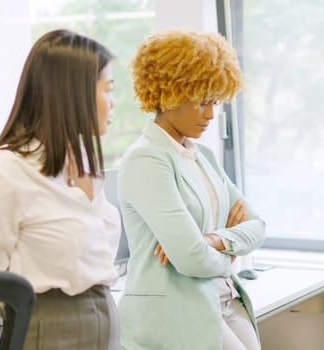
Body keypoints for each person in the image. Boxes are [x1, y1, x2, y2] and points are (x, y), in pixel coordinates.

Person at [0, 29, 121, 349]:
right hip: (50, 331)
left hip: (105, 322)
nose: (114, 102)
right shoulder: (3, 172)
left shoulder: (86, 165)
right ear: (74, 93)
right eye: (108, 89)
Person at [117, 29, 265, 350]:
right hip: (178, 308)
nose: (211, 114)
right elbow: (190, 259)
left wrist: (215, 239)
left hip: (225, 296)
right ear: (169, 93)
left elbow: (256, 226)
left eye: (214, 102)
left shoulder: (202, 155)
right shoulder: (147, 159)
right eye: (201, 102)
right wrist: (230, 259)